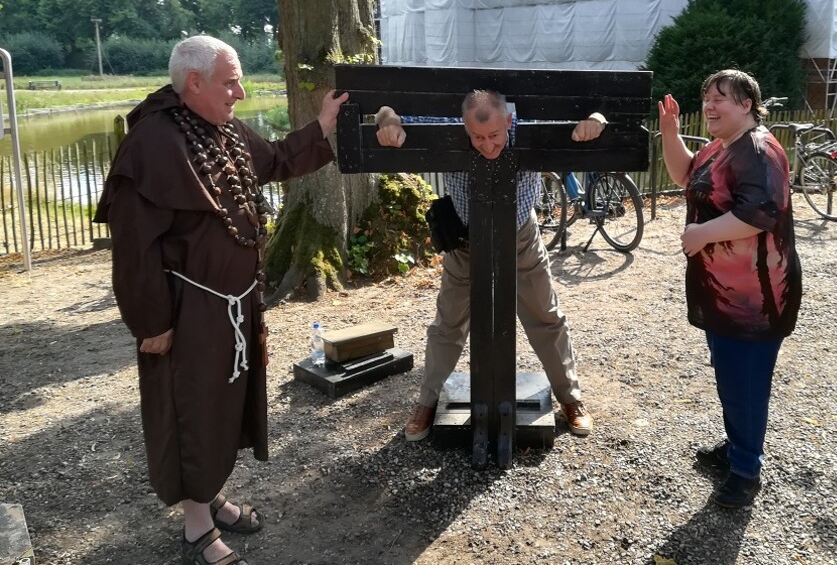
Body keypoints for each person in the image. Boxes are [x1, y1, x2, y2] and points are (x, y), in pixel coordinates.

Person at [94, 35, 349, 565]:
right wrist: (152, 322)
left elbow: (275, 160)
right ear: (194, 82)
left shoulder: (221, 128)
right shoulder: (151, 144)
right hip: (188, 313)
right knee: (191, 412)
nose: (241, 92)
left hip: (234, 304)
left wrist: (323, 125)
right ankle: (197, 527)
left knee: (222, 410)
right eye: (230, 82)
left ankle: (209, 498)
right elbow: (135, 248)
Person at [374, 90, 606, 441]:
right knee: (448, 323)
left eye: (495, 135)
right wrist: (388, 120)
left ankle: (570, 398)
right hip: (467, 242)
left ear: (510, 121)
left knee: (546, 315)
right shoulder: (445, 124)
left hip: (520, 236)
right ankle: (427, 402)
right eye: (477, 137)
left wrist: (596, 120)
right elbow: (386, 108)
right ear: (463, 126)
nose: (487, 145)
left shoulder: (531, 122)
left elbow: (594, 110)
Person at [657, 69, 801, 509]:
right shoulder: (719, 148)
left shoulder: (758, 150)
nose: (710, 105)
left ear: (747, 104)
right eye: (707, 97)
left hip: (754, 299)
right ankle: (738, 446)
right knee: (732, 378)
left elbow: (761, 211)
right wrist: (670, 133)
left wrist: (701, 234)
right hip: (724, 293)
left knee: (745, 385)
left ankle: (745, 471)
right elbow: (686, 175)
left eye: (720, 98)